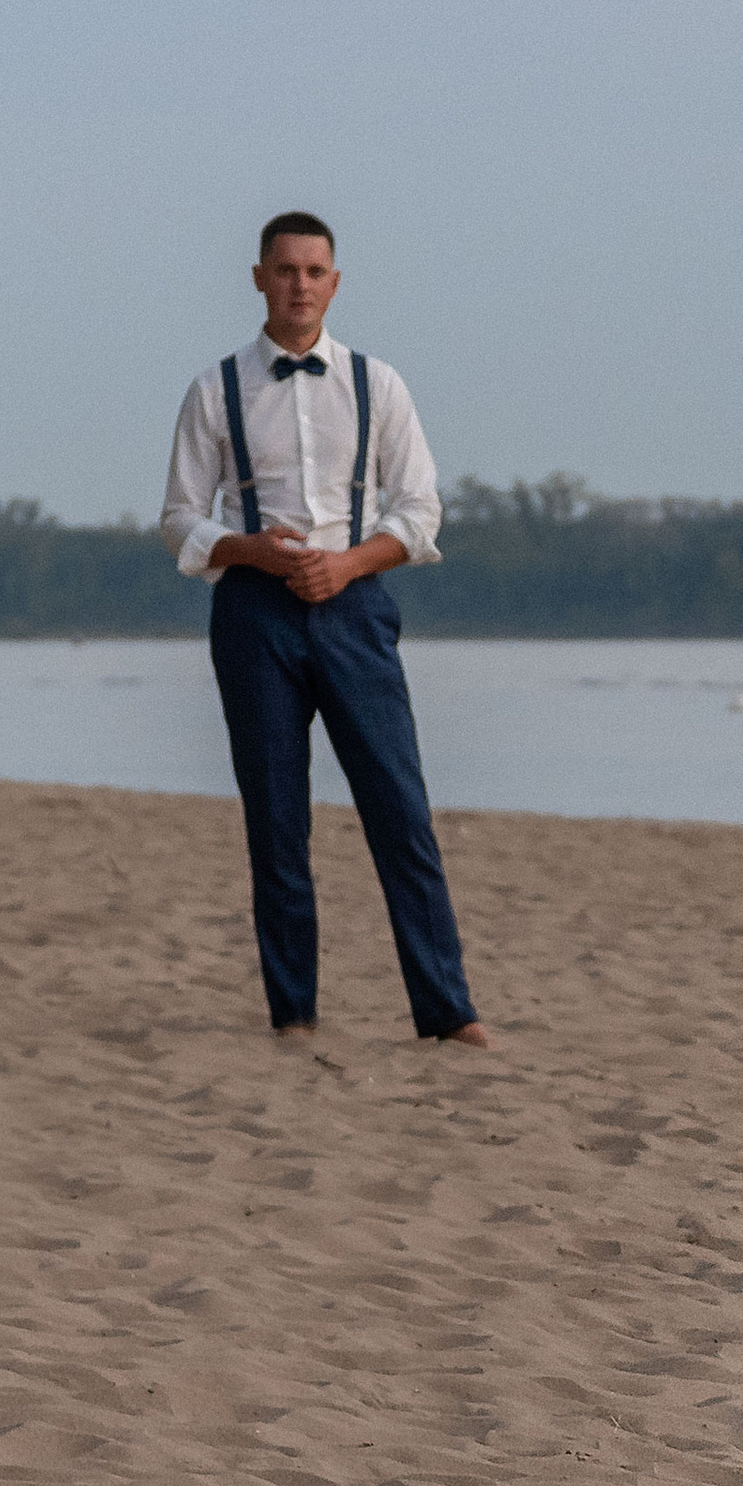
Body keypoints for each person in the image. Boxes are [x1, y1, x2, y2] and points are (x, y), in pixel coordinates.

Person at [160, 211, 488, 1046]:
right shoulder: (215, 389)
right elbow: (180, 520)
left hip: (355, 607)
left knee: (399, 810)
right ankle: (294, 1014)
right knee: (276, 819)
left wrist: (345, 565)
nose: (299, 284)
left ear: (334, 282)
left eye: (314, 271)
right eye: (285, 270)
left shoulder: (379, 386)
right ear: (260, 278)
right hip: (252, 613)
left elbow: (419, 512)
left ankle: (447, 1013)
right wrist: (253, 553)